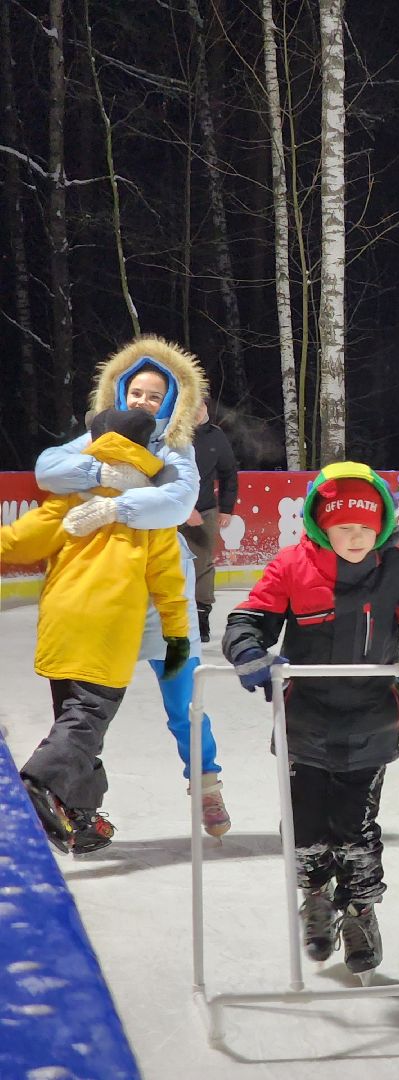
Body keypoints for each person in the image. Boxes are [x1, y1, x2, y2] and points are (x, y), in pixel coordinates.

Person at [221, 463, 399, 978]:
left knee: (355, 827)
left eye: (366, 528)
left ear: (383, 527)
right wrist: (248, 651)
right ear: (320, 526)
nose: (355, 537)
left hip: (371, 721)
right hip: (303, 720)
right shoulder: (291, 567)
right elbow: (248, 619)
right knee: (306, 826)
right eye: (343, 527)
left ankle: (361, 910)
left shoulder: (397, 569)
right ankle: (317, 901)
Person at [34, 336, 231, 836]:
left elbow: (176, 500)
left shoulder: (175, 446)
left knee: (184, 701)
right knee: (87, 707)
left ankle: (206, 782)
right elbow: (47, 469)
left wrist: (117, 505)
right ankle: (77, 807)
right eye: (136, 392)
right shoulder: (98, 439)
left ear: (172, 402)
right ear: (119, 393)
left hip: (164, 600)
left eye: (153, 396)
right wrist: (99, 469)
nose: (143, 402)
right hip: (106, 597)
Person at [6, 409, 191, 854]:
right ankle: (40, 783)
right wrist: (178, 635)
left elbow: (19, 540)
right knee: (87, 720)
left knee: (74, 720)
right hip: (108, 629)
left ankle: (80, 816)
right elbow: (168, 580)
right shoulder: (150, 507)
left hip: (62, 622)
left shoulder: (70, 496)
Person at [179, 395, 238, 642]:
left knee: (202, 564)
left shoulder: (216, 436)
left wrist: (226, 508)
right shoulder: (172, 435)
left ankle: (202, 617)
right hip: (168, 511)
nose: (196, 411)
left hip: (204, 511)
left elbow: (228, 473)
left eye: (200, 405)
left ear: (206, 408)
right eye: (190, 405)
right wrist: (181, 507)